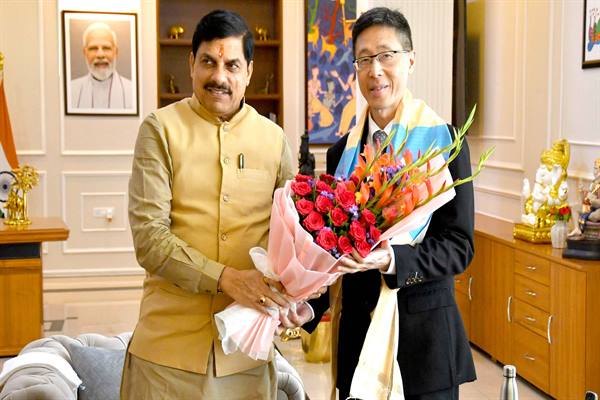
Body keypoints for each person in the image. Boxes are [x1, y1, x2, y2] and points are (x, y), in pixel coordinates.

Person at [121, 10, 313, 399]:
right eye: (208, 62)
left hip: (246, 356)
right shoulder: (160, 130)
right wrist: (227, 279)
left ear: (250, 71)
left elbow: (294, 237)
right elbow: (149, 239)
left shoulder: (273, 139)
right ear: (191, 63)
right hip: (166, 356)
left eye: (232, 65)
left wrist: (292, 294)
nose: (219, 77)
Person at [303, 7, 476, 400]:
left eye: (386, 55)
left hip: (424, 348)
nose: (375, 70)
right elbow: (333, 252)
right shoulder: (341, 153)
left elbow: (459, 246)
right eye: (364, 59)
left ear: (410, 60)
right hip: (358, 341)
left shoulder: (444, 143)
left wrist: (391, 259)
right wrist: (307, 308)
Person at [70, 22, 133, 109]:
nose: (100, 55)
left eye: (106, 48)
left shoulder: (132, 91)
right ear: (85, 52)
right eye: (93, 48)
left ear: (116, 52)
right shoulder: (71, 91)